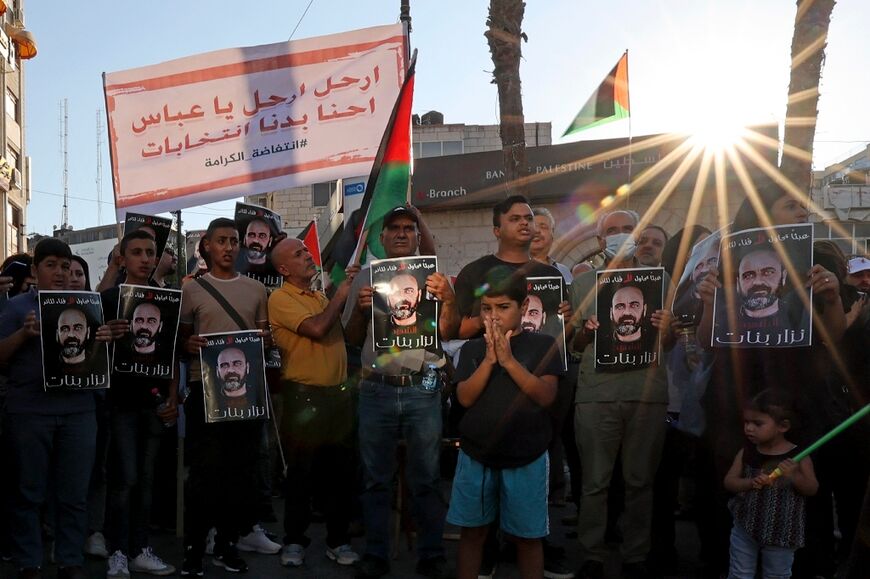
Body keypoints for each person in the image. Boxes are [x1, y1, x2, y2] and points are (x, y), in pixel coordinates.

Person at [452, 196, 574, 578]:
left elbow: (545, 396)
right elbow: (465, 397)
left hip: (526, 453)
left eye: (502, 308)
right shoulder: (474, 349)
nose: (493, 316)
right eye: (486, 309)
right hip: (477, 454)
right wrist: (490, 359)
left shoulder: (541, 345)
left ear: (523, 308)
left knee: (527, 537)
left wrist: (509, 361)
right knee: (472, 533)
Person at [342, 205, 458, 578]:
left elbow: (450, 332)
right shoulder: (363, 278)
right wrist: (361, 313)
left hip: (421, 389)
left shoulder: (434, 278)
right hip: (376, 389)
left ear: (417, 235)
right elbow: (351, 339)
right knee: (376, 479)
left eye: (409, 228)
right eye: (394, 228)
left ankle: (431, 553)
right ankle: (376, 554)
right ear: (382, 237)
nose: (402, 234)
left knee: (425, 479)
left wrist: (449, 298)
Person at [0, 238, 114, 579]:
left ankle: (69, 560)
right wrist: (24, 334)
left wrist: (103, 340)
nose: (61, 273)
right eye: (51, 265)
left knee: (74, 492)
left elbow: (95, 363)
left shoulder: (89, 307)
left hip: (79, 411)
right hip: (30, 413)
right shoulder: (17, 307)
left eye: (65, 266)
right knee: (29, 491)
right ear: (35, 271)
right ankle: (29, 560)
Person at [570, 208, 674, 579]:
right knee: (595, 482)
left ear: (639, 236)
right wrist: (585, 332)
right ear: (600, 241)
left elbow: (671, 341)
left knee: (640, 482)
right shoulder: (582, 284)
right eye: (611, 230)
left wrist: (669, 327)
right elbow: (574, 342)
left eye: (627, 229)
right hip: (596, 394)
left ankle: (636, 557)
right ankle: (591, 556)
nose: (619, 235)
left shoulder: (662, 282)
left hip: (646, 393)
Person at [178, 218, 279, 576]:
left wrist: (266, 342)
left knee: (241, 475)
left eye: (233, 241)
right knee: (204, 476)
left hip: (245, 397)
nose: (229, 247)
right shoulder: (191, 289)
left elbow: (264, 337)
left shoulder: (256, 290)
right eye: (221, 240)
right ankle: (193, 549)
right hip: (203, 394)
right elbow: (182, 340)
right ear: (206, 245)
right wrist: (186, 345)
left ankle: (226, 544)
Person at [268, 237, 360, 569]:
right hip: (304, 396)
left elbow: (343, 333)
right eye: (298, 254)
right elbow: (319, 328)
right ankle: (294, 540)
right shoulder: (280, 298)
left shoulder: (319, 296)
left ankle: (338, 540)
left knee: (340, 474)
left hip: (337, 396)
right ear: (283, 269)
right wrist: (341, 294)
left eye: (306, 251)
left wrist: (351, 294)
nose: (307, 256)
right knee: (301, 475)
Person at [101, 229, 177, 578]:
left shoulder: (168, 299)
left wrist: (173, 399)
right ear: (123, 258)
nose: (145, 258)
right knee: (125, 479)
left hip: (156, 403)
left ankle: (139, 548)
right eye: (137, 252)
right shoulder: (109, 298)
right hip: (121, 403)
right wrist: (106, 336)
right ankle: (116, 550)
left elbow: (173, 354)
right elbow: (88, 354)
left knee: (146, 480)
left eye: (150, 252)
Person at [723, 389, 818, 578]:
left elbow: (812, 489)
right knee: (740, 573)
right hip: (745, 526)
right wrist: (749, 483)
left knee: (777, 575)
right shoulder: (747, 451)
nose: (749, 428)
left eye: (757, 423)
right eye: (747, 422)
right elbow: (729, 482)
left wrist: (794, 476)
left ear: (783, 426)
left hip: (782, 532)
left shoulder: (798, 457)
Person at [531, 207, 573, 283]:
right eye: (532, 227)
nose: (537, 231)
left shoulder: (564, 271)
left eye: (543, 227)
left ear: (552, 234)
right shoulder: (514, 270)